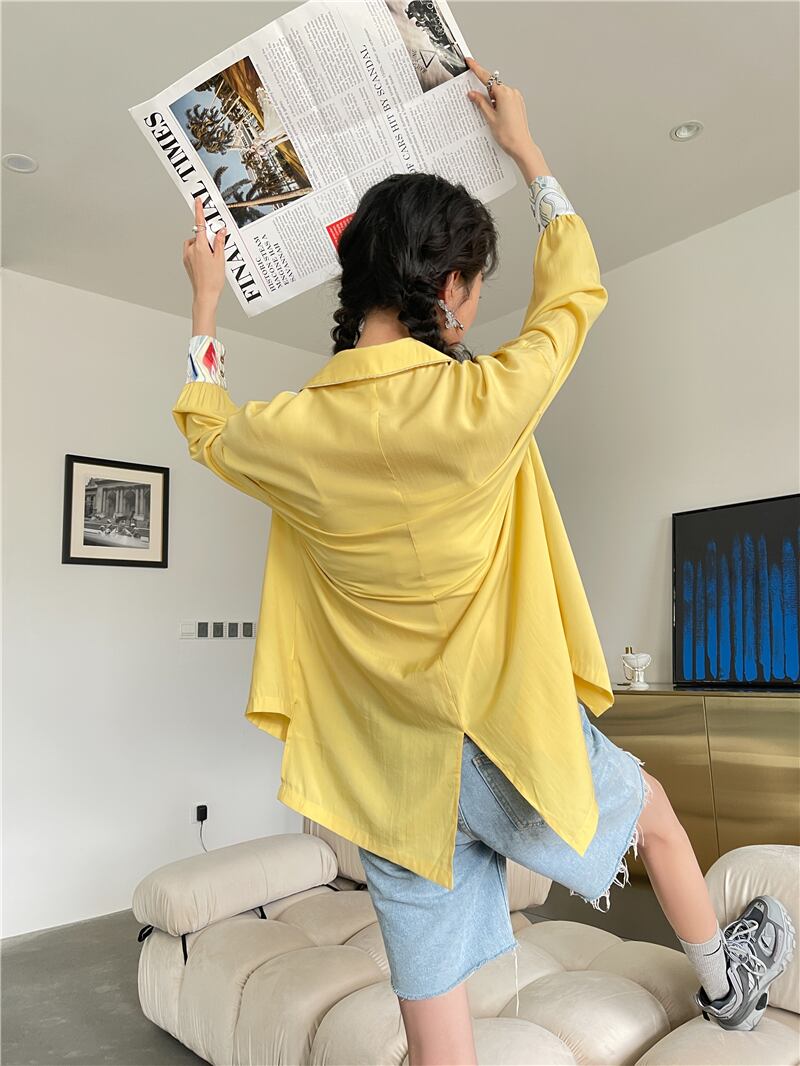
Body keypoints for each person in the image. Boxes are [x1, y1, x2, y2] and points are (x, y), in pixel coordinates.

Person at [175, 55, 794, 1065]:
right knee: (653, 815)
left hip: (383, 769)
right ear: (450, 288)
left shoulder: (287, 431)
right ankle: (727, 991)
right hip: (504, 736)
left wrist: (206, 305)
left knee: (438, 1033)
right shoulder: (482, 401)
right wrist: (527, 150)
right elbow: (574, 294)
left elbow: (205, 429)